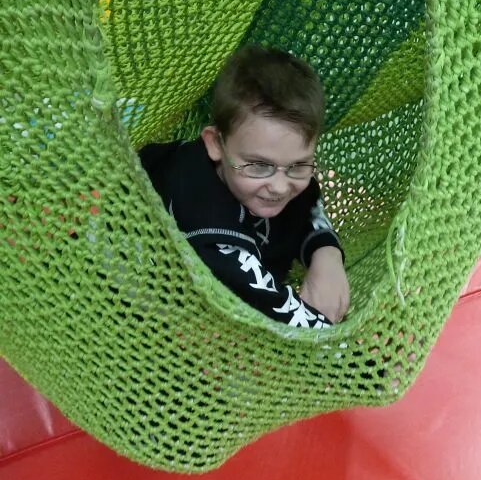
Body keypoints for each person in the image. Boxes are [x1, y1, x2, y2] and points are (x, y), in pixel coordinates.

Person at [140, 46, 349, 327]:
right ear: (215, 144)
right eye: (259, 166)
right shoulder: (204, 216)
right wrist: (344, 344)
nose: (279, 187)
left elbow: (308, 204)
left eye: (299, 166)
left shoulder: (270, 170)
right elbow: (270, 307)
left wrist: (326, 253)